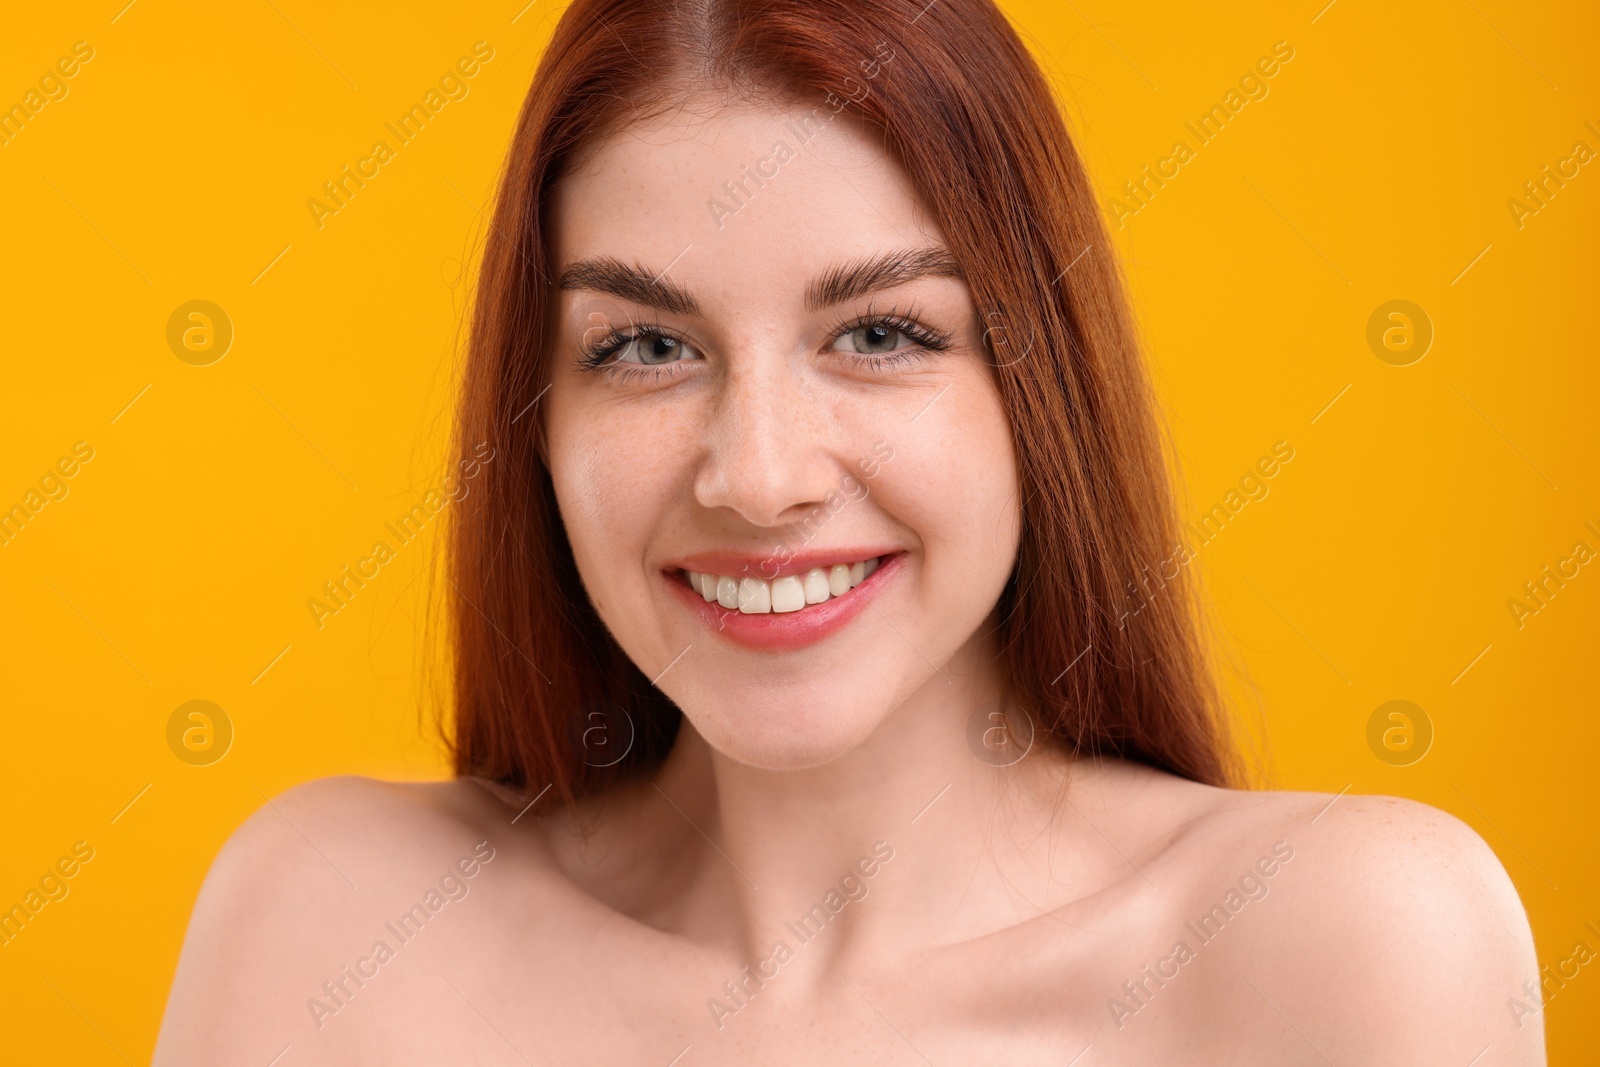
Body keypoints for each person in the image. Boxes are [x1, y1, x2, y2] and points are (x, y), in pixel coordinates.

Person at [155, 0, 1542, 1062]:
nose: (758, 478)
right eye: (643, 346)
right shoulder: (329, 928)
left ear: (1036, 384)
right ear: (536, 414)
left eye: (881, 333)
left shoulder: (1348, 947)